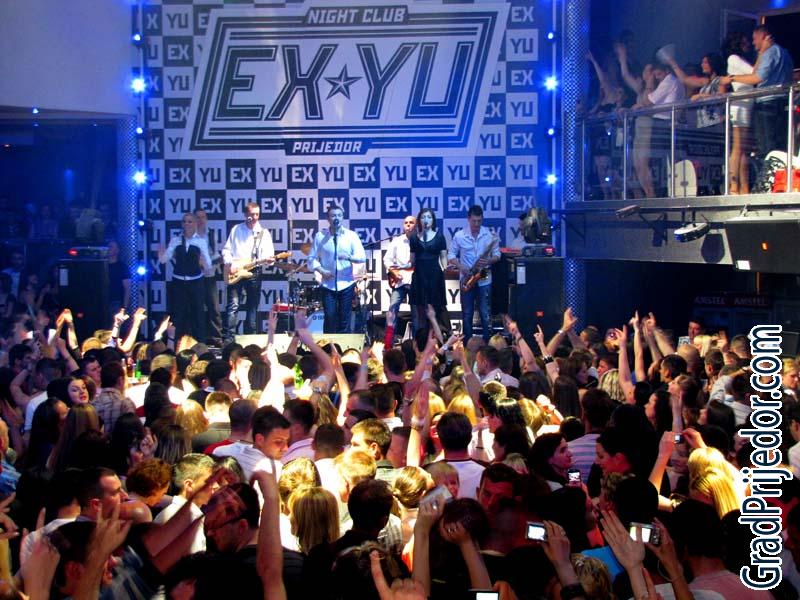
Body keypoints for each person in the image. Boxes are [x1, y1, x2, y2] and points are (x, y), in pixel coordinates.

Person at [720, 24, 794, 186]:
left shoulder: (770, 52)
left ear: (763, 37)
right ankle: (742, 186)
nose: (752, 43)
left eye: (754, 39)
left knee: (766, 148)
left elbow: (757, 77)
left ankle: (766, 185)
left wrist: (731, 78)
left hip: (766, 103)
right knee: (767, 147)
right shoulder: (784, 52)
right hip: (770, 103)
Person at [221, 201, 275, 343]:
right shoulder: (236, 229)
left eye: (257, 214)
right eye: (252, 214)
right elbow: (226, 250)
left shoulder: (263, 233)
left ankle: (250, 338)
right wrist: (230, 263)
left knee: (253, 306)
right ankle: (228, 340)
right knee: (233, 305)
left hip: (254, 271)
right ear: (245, 214)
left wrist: (270, 260)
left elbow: (269, 255)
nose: (255, 217)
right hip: (236, 270)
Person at [307, 206, 366, 333]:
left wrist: (349, 257)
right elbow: (311, 259)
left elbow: (362, 257)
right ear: (328, 219)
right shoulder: (320, 236)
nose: (336, 218)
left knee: (345, 318)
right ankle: (329, 344)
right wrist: (321, 270)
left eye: (339, 215)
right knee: (330, 317)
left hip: (346, 283)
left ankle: (344, 344)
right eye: (333, 215)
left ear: (343, 217)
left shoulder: (351, 236)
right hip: (328, 284)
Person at [448, 205, 500, 342]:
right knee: (467, 313)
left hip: (484, 276)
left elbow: (497, 255)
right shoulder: (459, 236)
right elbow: (451, 255)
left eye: (479, 221)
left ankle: (488, 344)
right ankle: (467, 344)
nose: (476, 224)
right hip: (467, 277)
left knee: (485, 313)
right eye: (474, 221)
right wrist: (461, 267)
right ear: (468, 219)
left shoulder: (489, 235)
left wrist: (489, 261)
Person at [158, 212, 211, 342]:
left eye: (190, 221)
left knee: (198, 314)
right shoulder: (176, 240)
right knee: (178, 314)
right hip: (178, 282)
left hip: (196, 282)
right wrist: (161, 253)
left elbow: (208, 264)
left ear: (195, 224)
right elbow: (164, 259)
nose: (187, 224)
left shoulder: (201, 241)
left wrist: (204, 264)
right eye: (185, 221)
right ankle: (176, 343)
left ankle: (200, 343)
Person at [408, 207, 450, 338]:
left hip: (435, 275)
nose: (426, 220)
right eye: (423, 217)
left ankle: (443, 337)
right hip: (419, 276)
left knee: (438, 307)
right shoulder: (414, 238)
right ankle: (422, 339)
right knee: (420, 309)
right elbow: (412, 260)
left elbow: (443, 256)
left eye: (429, 217)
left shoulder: (439, 237)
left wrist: (445, 268)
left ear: (433, 220)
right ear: (419, 220)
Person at [723, 32, 755, 194]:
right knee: (737, 148)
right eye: (744, 41)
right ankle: (734, 185)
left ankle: (744, 186)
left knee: (744, 150)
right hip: (739, 107)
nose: (748, 44)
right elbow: (754, 72)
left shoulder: (740, 59)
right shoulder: (733, 58)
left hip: (746, 106)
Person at [384, 215, 418, 343]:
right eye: (406, 223)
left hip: (415, 280)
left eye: (411, 222)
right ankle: (388, 343)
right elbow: (387, 260)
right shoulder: (396, 241)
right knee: (392, 309)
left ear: (416, 225)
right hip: (399, 280)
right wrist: (394, 272)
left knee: (416, 312)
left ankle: (417, 344)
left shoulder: (420, 241)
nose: (408, 225)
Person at [195, 208, 223, 346]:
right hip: (194, 277)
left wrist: (218, 260)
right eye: (198, 217)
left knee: (214, 308)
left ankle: (217, 338)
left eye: (203, 217)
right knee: (197, 308)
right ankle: (199, 338)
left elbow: (215, 253)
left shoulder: (211, 234)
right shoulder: (189, 235)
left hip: (210, 275)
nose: (201, 220)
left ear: (206, 219)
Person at [106, 240, 131, 317]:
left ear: (117, 250)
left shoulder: (122, 267)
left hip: (116, 302)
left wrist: (124, 307)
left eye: (111, 247)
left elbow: (127, 288)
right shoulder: (102, 266)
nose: (108, 249)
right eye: (108, 246)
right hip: (103, 301)